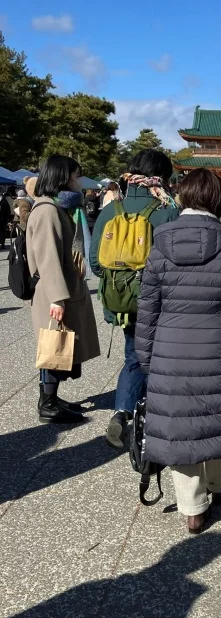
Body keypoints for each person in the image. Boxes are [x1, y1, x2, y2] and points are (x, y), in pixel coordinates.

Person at [135, 168, 221, 533]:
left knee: (181, 427)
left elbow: (148, 309)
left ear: (182, 198)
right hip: (216, 347)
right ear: (220, 202)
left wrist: (146, 357)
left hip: (169, 349)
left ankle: (192, 508)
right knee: (217, 417)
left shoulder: (160, 245)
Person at [90, 149, 179, 449]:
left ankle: (122, 412)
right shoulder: (167, 210)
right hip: (161, 301)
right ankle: (155, 418)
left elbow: (94, 263)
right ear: (161, 178)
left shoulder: (109, 211)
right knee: (160, 358)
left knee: (133, 356)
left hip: (124, 301)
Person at [27, 155, 101, 422]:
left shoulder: (54, 207)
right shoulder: (47, 210)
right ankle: (47, 403)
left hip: (58, 290)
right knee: (53, 344)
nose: (78, 181)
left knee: (58, 345)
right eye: (75, 176)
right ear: (63, 177)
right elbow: (47, 257)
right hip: (53, 292)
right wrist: (58, 298)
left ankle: (52, 398)